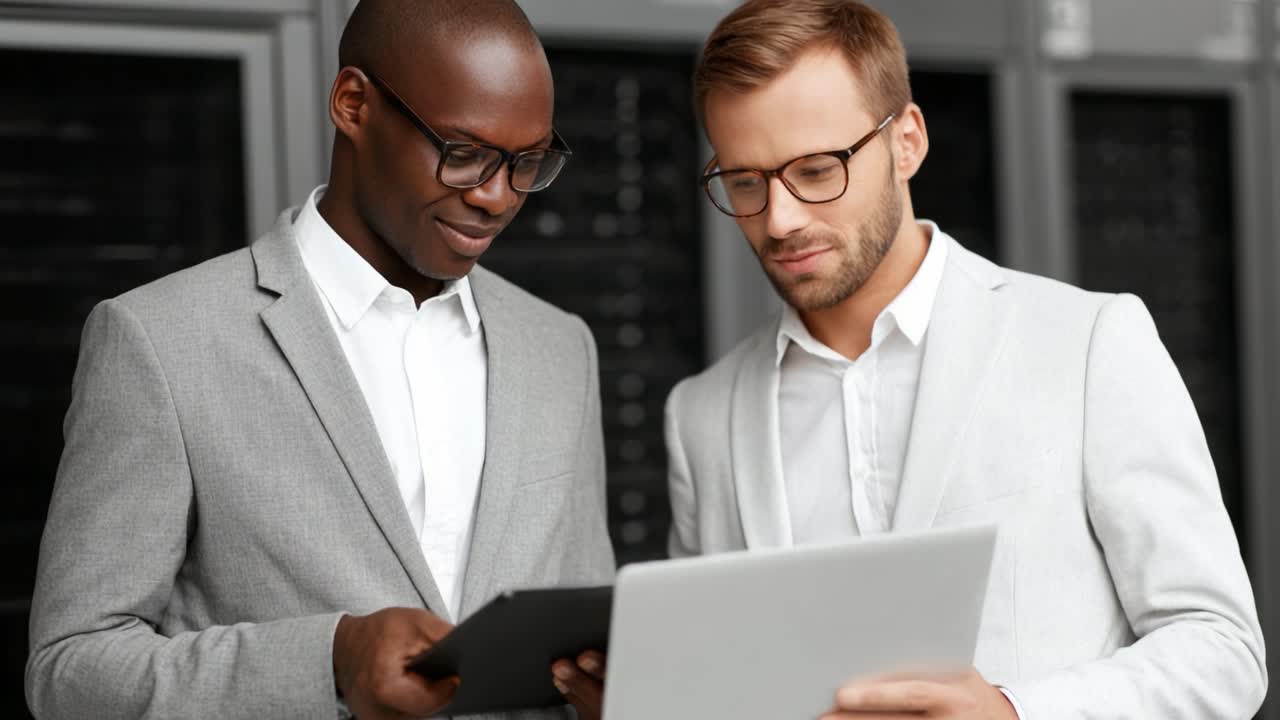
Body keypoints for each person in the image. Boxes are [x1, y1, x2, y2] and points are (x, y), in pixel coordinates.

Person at [663, 0, 1267, 717]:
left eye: (817, 170)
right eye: (744, 182)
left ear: (907, 141)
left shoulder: (1089, 343)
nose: (780, 218)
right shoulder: (699, 416)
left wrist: (1015, 713)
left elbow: (1222, 648)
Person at [26, 1, 612, 718]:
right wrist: (329, 660)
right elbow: (68, 672)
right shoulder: (158, 342)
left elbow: (590, 639)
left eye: (529, 164)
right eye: (463, 154)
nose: (496, 197)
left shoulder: (561, 347)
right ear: (354, 104)